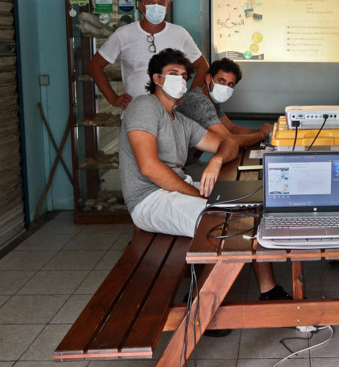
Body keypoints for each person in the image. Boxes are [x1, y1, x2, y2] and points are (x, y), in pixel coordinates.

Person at [119, 48, 291, 304]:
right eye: (172, 73)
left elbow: (228, 143)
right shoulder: (144, 106)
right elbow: (149, 167)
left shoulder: (179, 119)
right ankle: (200, 303)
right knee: (227, 226)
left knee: (250, 208)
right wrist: (201, 196)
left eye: (184, 75)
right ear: (156, 78)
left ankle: (268, 290)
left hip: (176, 192)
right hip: (150, 200)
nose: (180, 79)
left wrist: (217, 160)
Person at [89, 0, 209, 110]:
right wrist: (113, 98)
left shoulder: (179, 33)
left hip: (171, 112)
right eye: (150, 3)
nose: (156, 7)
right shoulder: (123, 34)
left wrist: (189, 98)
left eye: (161, 3)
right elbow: (94, 66)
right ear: (141, 6)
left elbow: (203, 66)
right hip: (135, 110)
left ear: (167, 7)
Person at [177, 57, 274, 147]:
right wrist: (262, 134)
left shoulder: (211, 100)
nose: (225, 87)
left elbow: (232, 129)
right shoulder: (199, 102)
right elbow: (230, 140)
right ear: (208, 79)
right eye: (221, 81)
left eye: (230, 84)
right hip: (181, 165)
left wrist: (258, 131)